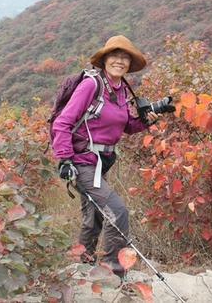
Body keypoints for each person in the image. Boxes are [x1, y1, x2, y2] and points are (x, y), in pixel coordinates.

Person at [51, 35, 159, 277]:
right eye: (115, 55)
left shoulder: (121, 90)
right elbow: (63, 122)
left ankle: (83, 265)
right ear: (105, 59)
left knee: (94, 215)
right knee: (117, 211)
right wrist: (65, 159)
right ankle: (113, 271)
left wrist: (147, 120)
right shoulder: (92, 85)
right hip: (82, 162)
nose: (120, 61)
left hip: (101, 164)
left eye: (125, 57)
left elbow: (126, 126)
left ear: (130, 64)